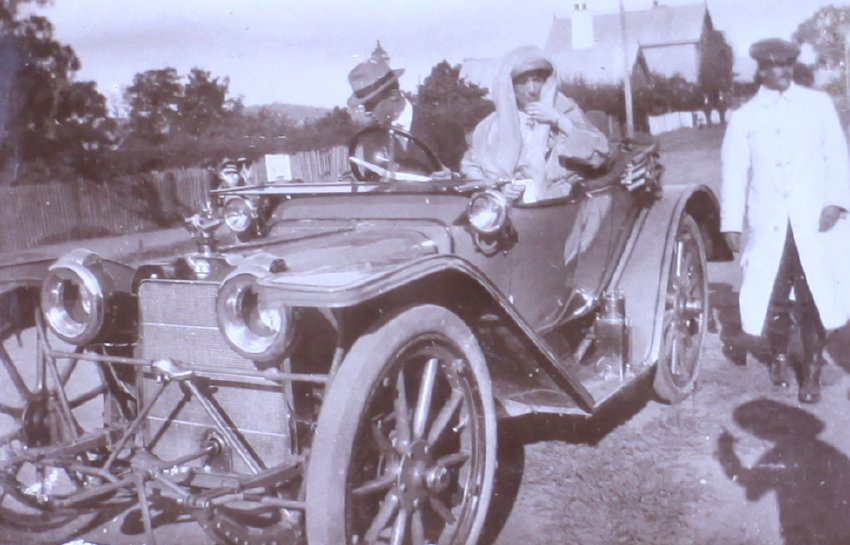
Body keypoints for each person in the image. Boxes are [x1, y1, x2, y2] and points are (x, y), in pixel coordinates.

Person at [720, 38, 850, 403]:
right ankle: (778, 355)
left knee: (812, 296)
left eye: (789, 63)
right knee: (774, 297)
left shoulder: (817, 105)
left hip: (812, 222)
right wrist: (731, 222)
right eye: (776, 65)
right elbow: (734, 171)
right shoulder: (745, 116)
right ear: (761, 69)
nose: (784, 70)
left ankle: (811, 371)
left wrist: (836, 202)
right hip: (769, 224)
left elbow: (837, 157)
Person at [460, 45, 609, 202]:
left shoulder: (564, 109)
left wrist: (558, 120)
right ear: (510, 85)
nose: (532, 89)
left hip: (564, 204)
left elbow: (600, 153)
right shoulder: (490, 126)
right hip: (514, 209)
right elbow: (471, 167)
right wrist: (498, 187)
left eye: (536, 80)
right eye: (523, 82)